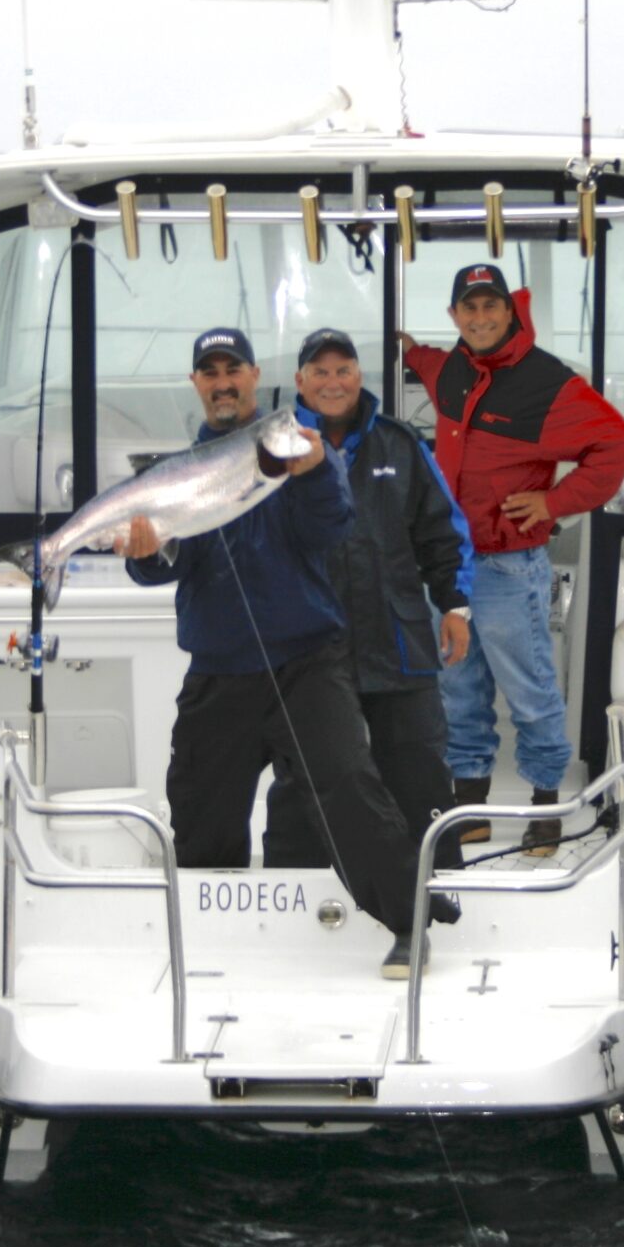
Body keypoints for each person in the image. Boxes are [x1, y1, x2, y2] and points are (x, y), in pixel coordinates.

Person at [120, 323, 457, 977]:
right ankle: (207, 938)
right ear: (197, 384)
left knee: (350, 790)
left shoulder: (302, 452)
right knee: (199, 807)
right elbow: (164, 568)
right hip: (218, 670)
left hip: (307, 663)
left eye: (234, 371)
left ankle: (410, 922)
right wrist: (143, 551)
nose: (223, 383)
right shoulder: (176, 473)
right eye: (210, 373)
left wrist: (307, 474)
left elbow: (333, 522)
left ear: (255, 379)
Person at [400, 264, 624, 854]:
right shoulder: (451, 368)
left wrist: (554, 500)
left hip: (509, 567)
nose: (480, 318)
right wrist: (406, 351)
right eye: (468, 307)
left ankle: (547, 808)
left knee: (531, 691)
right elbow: (426, 364)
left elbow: (617, 443)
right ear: (455, 316)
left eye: (490, 306)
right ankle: (471, 806)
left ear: (509, 311)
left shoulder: (547, 384)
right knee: (459, 690)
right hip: (449, 567)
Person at [262, 326, 475, 878]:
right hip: (308, 647)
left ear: (359, 377)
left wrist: (455, 605)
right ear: (300, 382)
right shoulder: (271, 450)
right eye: (321, 372)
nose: (333, 382)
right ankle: (296, 887)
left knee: (420, 768)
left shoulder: (400, 444)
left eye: (343, 370)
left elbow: (441, 531)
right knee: (304, 773)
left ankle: (440, 886)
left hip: (397, 641)